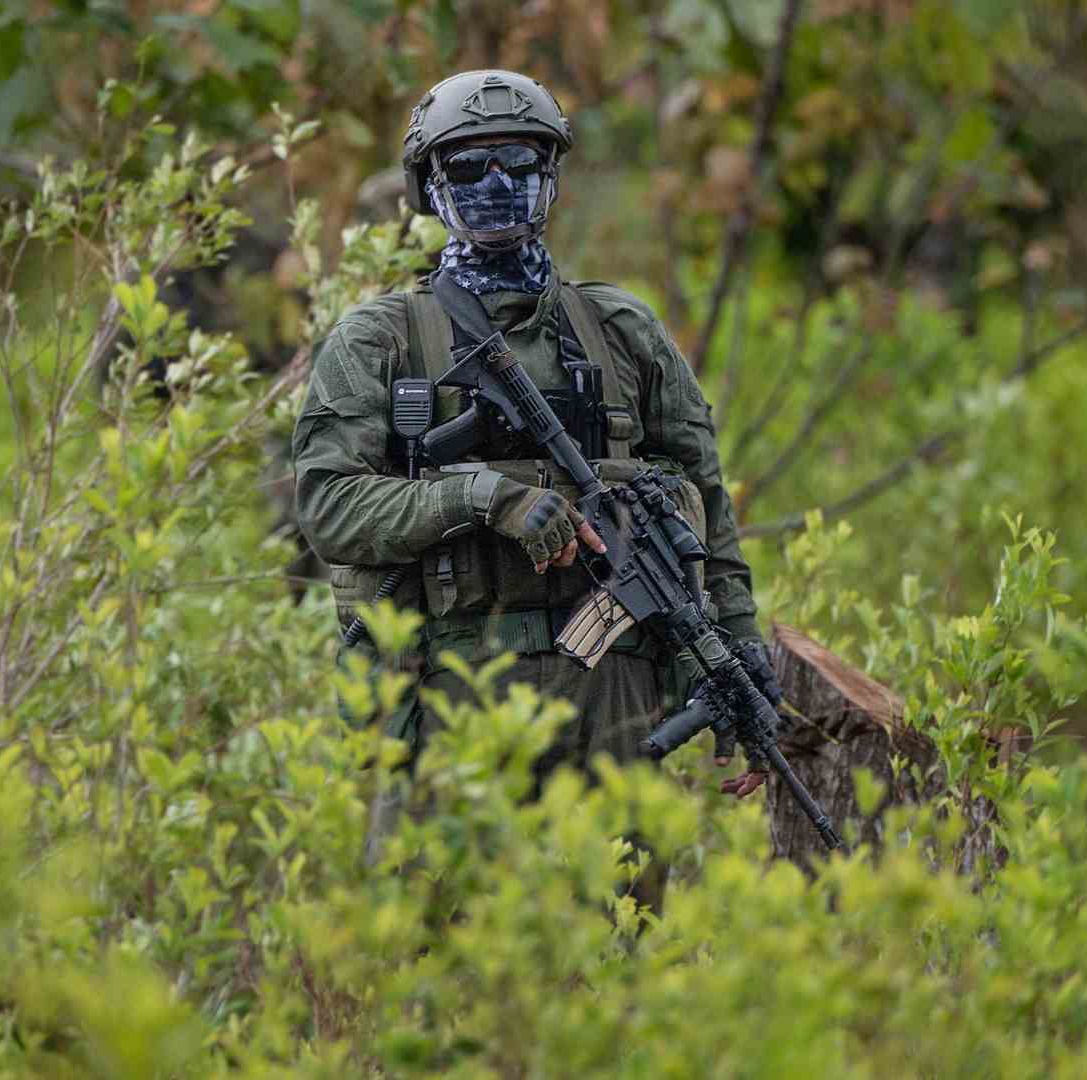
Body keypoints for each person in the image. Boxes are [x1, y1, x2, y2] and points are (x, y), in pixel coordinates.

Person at [292, 70, 775, 859]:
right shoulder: (381, 340)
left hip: (616, 698)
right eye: (468, 168)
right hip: (455, 685)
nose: (496, 187)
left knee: (626, 933)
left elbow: (708, 509)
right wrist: (481, 496)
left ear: (548, 178)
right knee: (447, 946)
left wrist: (738, 652)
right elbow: (330, 509)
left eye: (517, 164)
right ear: (430, 185)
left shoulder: (623, 332)